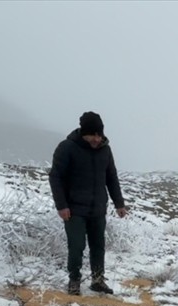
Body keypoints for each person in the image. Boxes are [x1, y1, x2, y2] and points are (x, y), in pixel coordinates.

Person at [48, 111, 128, 295]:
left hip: (98, 208)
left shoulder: (105, 150)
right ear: (84, 133)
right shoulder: (67, 147)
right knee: (76, 246)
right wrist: (61, 205)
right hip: (74, 209)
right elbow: (56, 177)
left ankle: (98, 280)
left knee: (98, 246)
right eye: (93, 134)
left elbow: (111, 178)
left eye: (99, 135)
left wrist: (119, 203)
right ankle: (74, 280)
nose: (97, 139)